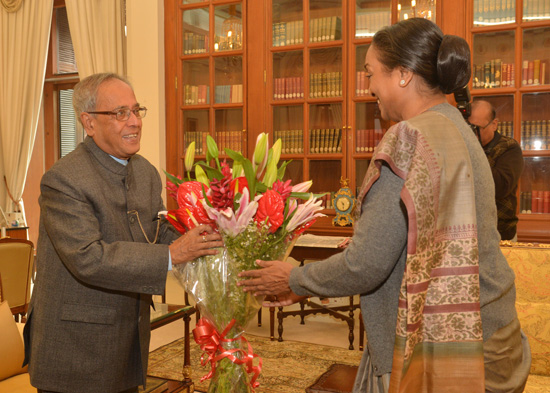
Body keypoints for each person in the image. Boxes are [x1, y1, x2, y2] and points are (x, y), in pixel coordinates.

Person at [238, 18, 530, 393]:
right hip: (496, 336)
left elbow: (366, 265)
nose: (370, 85)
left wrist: (294, 278)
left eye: (371, 73)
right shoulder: (458, 127)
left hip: (456, 354)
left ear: (403, 74)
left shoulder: (409, 137)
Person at [23, 72, 223, 393]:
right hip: (75, 351)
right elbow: (89, 258)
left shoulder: (144, 172)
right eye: (120, 113)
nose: (134, 121)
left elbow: (155, 234)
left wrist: (211, 235)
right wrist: (173, 254)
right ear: (89, 123)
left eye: (136, 110)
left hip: (128, 340)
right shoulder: (63, 180)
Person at [468, 99, 524, 241]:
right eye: (469, 128)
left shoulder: (509, 148)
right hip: (468, 232)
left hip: (501, 233)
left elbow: (501, 187)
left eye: (477, 128)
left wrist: (473, 152)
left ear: (494, 124)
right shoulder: (460, 147)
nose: (472, 134)